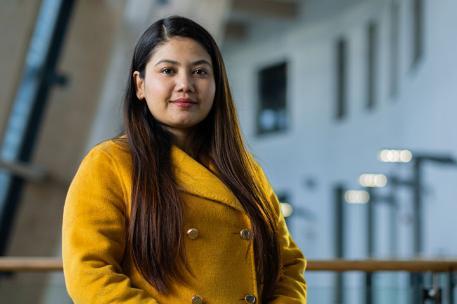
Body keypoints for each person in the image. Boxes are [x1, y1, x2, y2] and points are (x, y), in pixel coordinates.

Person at [62, 16, 307, 304]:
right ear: (140, 85)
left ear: (217, 84)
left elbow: (288, 265)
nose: (185, 85)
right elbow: (89, 274)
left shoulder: (244, 168)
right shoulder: (109, 163)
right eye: (168, 70)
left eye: (200, 72)